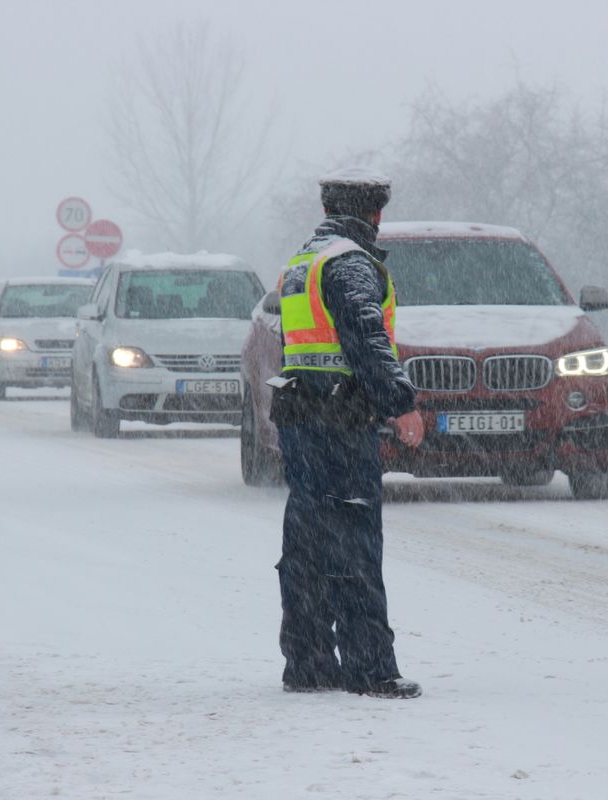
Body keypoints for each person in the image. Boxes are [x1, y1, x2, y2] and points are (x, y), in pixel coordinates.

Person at [269, 167, 425, 699]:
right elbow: (366, 336)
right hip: (341, 420)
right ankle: (369, 668)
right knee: (355, 543)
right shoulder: (350, 265)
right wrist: (400, 403)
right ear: (374, 215)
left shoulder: (302, 263)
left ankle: (309, 663)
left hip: (302, 419)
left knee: (308, 546)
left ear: (327, 210)